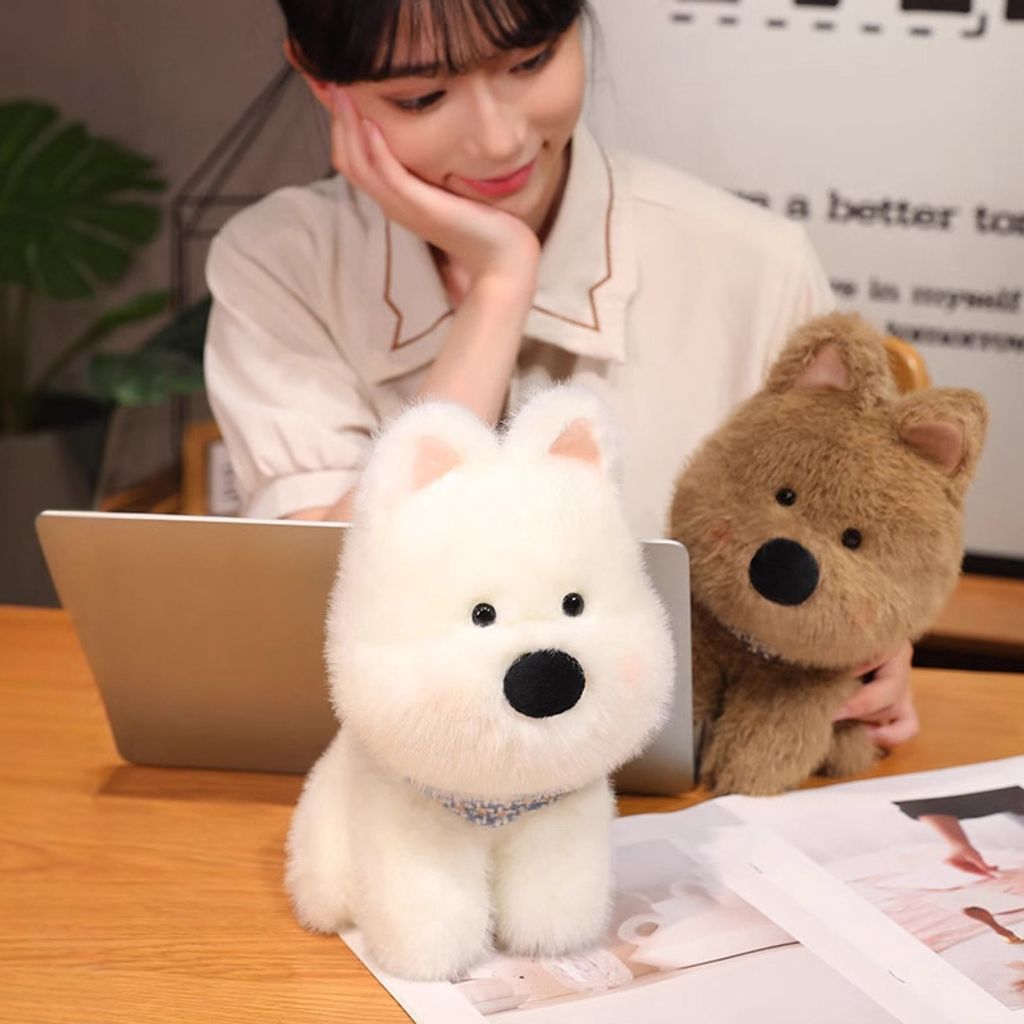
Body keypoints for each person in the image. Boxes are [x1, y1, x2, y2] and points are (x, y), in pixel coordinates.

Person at [203, 0, 916, 746]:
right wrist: (499, 290)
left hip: (681, 810)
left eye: (530, 62)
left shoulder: (752, 266)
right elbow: (324, 624)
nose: (498, 139)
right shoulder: (280, 265)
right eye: (420, 97)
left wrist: (862, 653)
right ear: (323, 83)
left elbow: (857, 568)